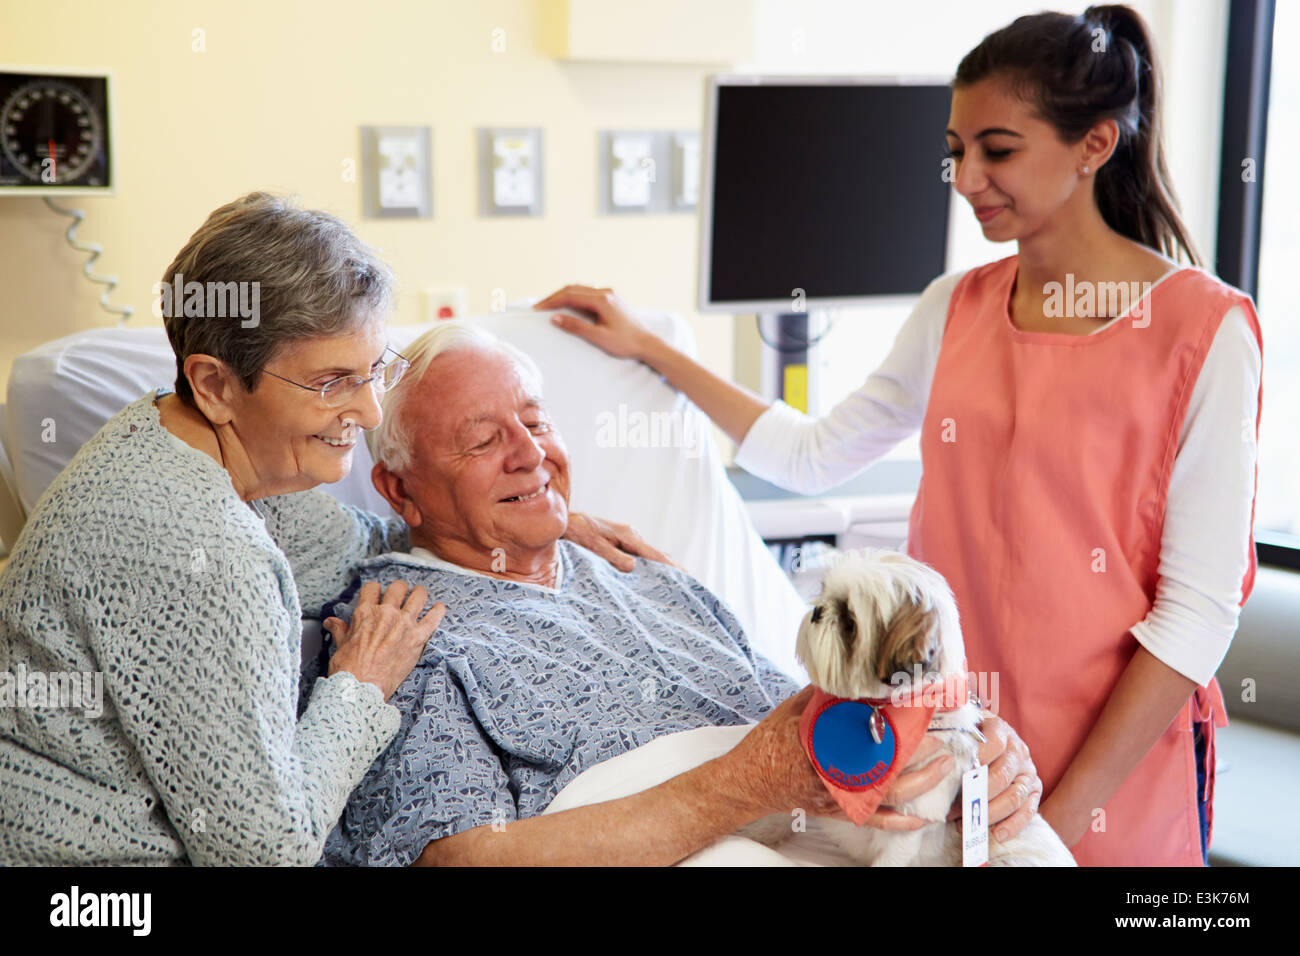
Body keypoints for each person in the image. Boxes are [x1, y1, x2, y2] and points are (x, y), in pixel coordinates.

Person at [536, 5, 1263, 867]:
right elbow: (812, 456)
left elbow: (1194, 618)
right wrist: (654, 348)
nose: (966, 176)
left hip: (1111, 777)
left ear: (1094, 145)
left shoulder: (1204, 333)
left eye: (998, 150)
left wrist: (1045, 832)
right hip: (942, 756)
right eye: (956, 151)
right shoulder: (953, 309)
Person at [0, 193, 663, 865]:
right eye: (333, 382)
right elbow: (263, 855)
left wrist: (529, 512)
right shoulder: (198, 552)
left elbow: (362, 543)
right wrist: (361, 685)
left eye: (374, 369)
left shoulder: (194, 444)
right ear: (216, 385)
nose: (371, 411)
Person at [316, 321, 1044, 866]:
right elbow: (455, 860)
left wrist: (964, 753)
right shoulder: (400, 633)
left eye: (536, 422)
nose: (531, 455)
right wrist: (743, 786)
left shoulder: (643, 570)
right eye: (483, 441)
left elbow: (812, 710)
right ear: (398, 491)